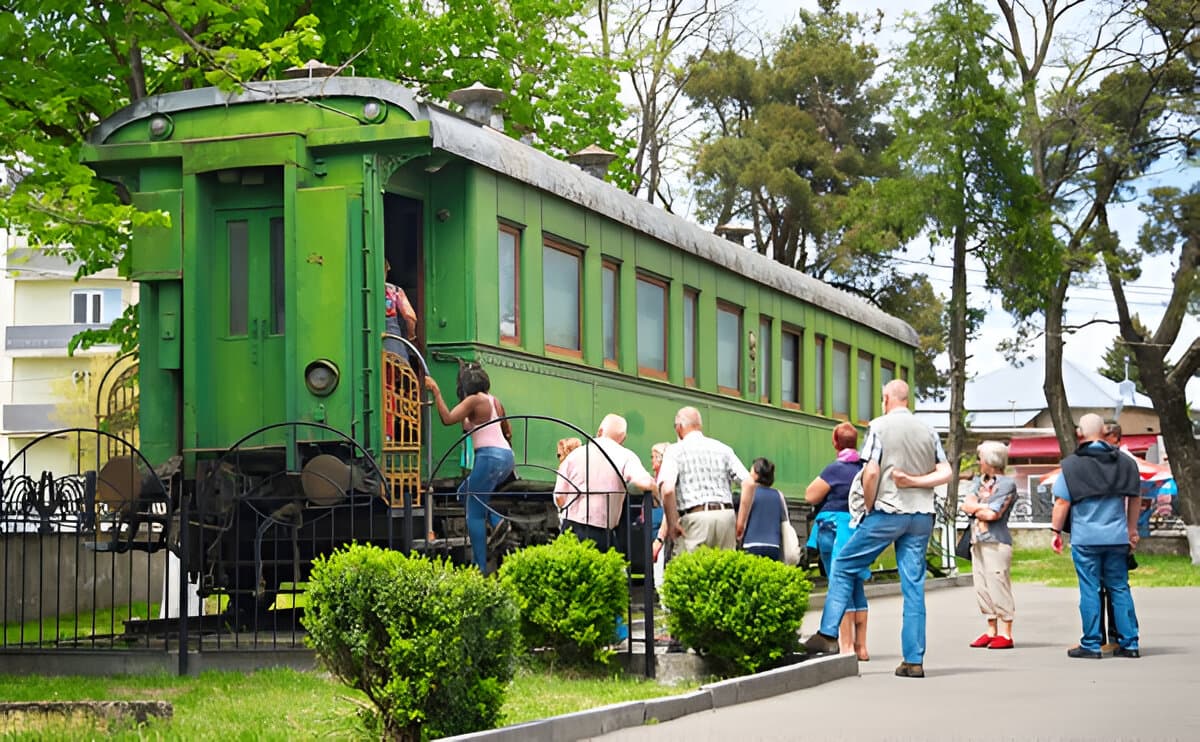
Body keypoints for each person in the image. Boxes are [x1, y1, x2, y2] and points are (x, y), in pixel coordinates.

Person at [803, 379, 951, 679]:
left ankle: (828, 634)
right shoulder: (928, 430)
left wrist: (869, 506)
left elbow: (870, 471)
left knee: (844, 564)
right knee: (913, 587)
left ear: (886, 398)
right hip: (922, 515)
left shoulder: (879, 427)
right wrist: (915, 482)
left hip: (888, 513)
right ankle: (913, 660)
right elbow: (945, 472)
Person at [1051, 413, 1142, 659]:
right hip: (1116, 538)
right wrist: (1132, 530)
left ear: (1080, 433)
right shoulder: (1126, 463)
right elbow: (1135, 497)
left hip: (1085, 539)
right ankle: (1130, 643)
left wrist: (1055, 531)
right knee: (1120, 588)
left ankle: (1091, 644)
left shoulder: (1072, 465)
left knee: (1090, 589)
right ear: (1104, 431)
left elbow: (1062, 502)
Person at [424, 363, 513, 574]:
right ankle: (496, 521)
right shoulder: (494, 401)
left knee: (473, 511)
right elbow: (506, 430)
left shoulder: (473, 401)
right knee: (464, 492)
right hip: (506, 457)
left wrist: (436, 391)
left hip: (488, 456)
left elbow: (447, 419)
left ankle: (479, 568)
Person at [805, 422, 870, 660]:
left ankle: (845, 646)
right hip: (859, 530)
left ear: (835, 442)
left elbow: (810, 495)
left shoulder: (835, 469)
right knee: (856, 586)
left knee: (839, 583)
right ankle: (862, 647)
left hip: (834, 531)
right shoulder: (864, 469)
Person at [554, 414, 656, 550]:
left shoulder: (574, 455)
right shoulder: (625, 456)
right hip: (602, 533)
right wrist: (655, 496)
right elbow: (645, 482)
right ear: (623, 439)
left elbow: (559, 497)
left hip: (571, 528)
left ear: (600, 431)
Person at [658, 406, 751, 554]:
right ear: (699, 426)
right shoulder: (723, 449)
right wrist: (741, 522)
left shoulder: (674, 451)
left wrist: (672, 523)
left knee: (689, 571)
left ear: (679, 428)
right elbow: (749, 482)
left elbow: (668, 490)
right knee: (724, 571)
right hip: (726, 517)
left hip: (695, 518)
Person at [961, 440, 1018, 650]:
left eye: (981, 458)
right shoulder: (979, 481)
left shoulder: (1006, 484)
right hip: (977, 540)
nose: (978, 462)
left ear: (990, 460)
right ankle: (991, 629)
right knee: (982, 586)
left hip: (996, 541)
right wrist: (979, 507)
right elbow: (967, 504)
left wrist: (975, 507)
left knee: (998, 582)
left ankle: (1006, 632)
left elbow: (993, 513)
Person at [735, 458, 786, 561]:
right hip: (774, 546)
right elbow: (784, 519)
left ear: (756, 475)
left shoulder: (748, 494)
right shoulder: (778, 495)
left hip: (751, 544)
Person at [383, 259, 418, 363]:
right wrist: (411, 336)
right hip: (393, 342)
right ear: (386, 269)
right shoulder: (395, 290)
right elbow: (410, 316)